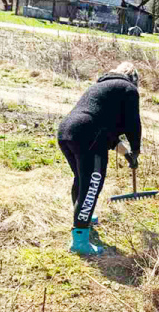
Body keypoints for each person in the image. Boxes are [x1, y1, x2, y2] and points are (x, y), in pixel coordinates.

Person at [57, 61, 142, 256]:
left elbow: (108, 134)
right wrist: (136, 149)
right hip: (88, 134)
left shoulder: (102, 87)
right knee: (92, 185)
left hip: (66, 131)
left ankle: (83, 217)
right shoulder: (128, 89)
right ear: (134, 78)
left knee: (82, 179)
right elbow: (133, 124)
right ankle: (79, 240)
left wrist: (128, 155)